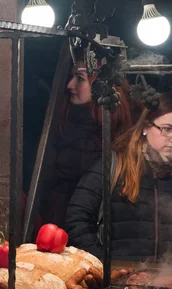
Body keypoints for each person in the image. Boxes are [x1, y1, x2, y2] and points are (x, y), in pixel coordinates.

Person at [65, 92, 172, 261]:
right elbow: (77, 220)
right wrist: (104, 266)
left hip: (164, 282)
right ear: (145, 127)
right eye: (166, 129)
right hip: (116, 279)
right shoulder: (114, 164)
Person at [39, 53, 135, 228]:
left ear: (101, 84)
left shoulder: (116, 133)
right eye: (71, 77)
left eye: (80, 78)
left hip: (97, 228)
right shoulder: (61, 121)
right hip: (55, 223)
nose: (70, 85)